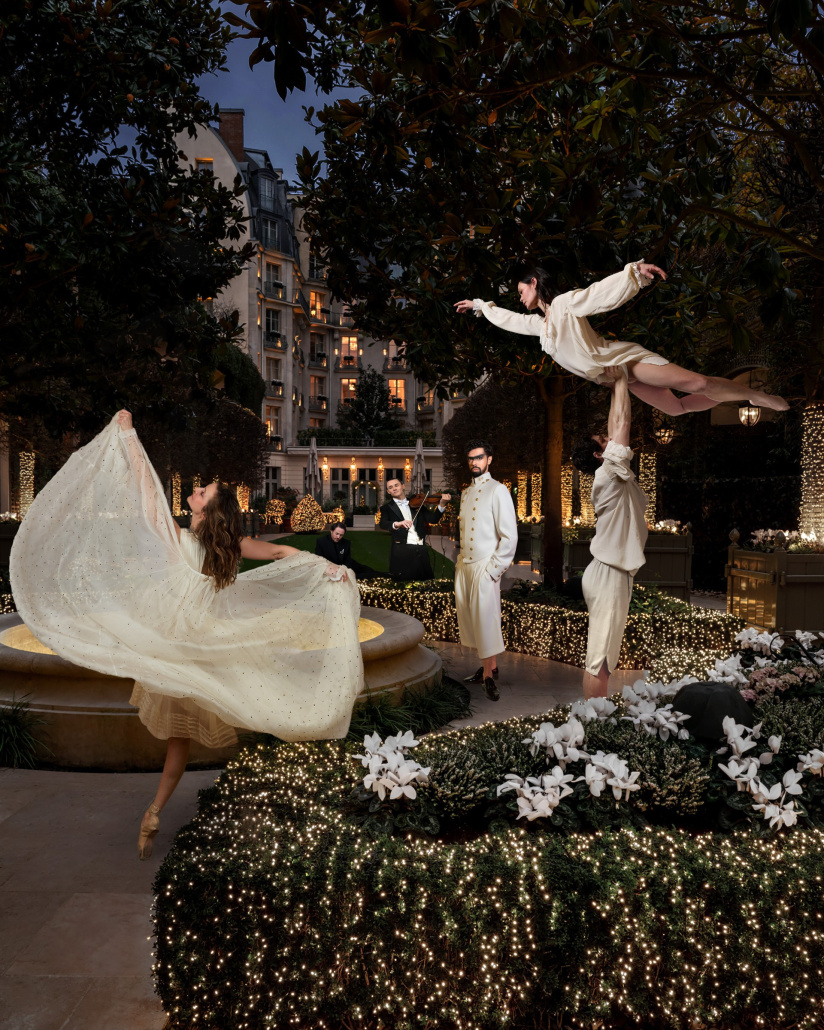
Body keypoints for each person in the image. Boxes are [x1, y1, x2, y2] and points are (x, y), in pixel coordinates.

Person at [9, 411, 363, 861]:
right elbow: (280, 550)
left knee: (192, 736)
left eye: (202, 493)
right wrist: (325, 566)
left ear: (209, 510)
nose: (195, 492)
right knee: (236, 711)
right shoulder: (221, 547)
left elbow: (145, 491)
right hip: (197, 651)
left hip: (181, 650)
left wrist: (129, 435)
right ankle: (172, 810)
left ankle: (159, 811)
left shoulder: (178, 538)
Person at [454, 262, 788, 415]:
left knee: (698, 385)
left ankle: (755, 395)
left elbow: (598, 294)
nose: (519, 297)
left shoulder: (564, 304)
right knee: (676, 409)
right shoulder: (544, 326)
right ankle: (743, 396)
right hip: (617, 379)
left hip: (623, 362)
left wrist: (633, 275)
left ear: (534, 283)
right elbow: (511, 321)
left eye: (521, 290)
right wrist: (481, 306)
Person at [571, 368, 647, 699]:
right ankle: (592, 729)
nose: (610, 438)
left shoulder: (611, 474)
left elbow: (617, 427)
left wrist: (619, 384)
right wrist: (620, 381)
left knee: (603, 657)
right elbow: (622, 425)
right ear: (599, 454)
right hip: (608, 574)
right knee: (599, 660)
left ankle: (594, 722)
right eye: (604, 441)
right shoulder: (609, 473)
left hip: (609, 572)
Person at [454, 440, 517, 701]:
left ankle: (489, 677)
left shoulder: (498, 490)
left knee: (487, 621)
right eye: (471, 459)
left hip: (485, 566)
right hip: (465, 566)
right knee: (473, 621)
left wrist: (494, 570)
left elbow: (509, 536)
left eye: (479, 458)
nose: (474, 463)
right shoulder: (466, 493)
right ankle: (488, 667)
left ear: (489, 459)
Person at [378, 479, 451, 581]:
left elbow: (433, 520)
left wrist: (442, 504)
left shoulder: (418, 503)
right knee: (403, 585)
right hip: (401, 551)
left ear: (403, 486)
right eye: (390, 487)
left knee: (426, 584)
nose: (394, 488)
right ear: (388, 492)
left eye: (396, 485)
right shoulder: (386, 508)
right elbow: (383, 523)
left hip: (421, 549)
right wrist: (397, 524)